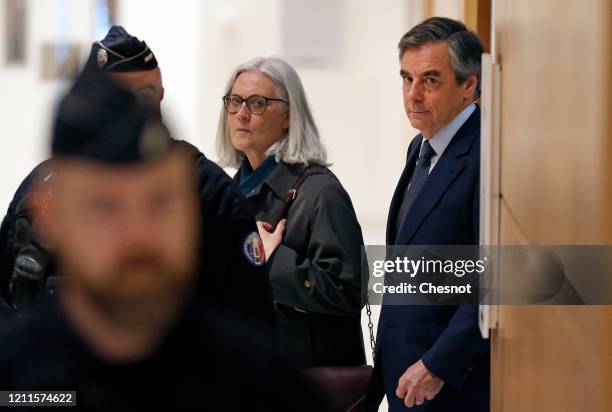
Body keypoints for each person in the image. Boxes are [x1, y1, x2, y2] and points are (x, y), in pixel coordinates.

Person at [0, 64, 330, 412]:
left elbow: (353, 282)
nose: (139, 234)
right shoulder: (15, 382)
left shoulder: (263, 387)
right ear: (50, 218)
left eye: (161, 203)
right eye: (106, 208)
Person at [0, 26, 275, 334]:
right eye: (103, 208)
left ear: (160, 96)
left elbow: (251, 320)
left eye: (160, 205)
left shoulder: (210, 190)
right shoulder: (47, 185)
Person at [365, 17, 489, 411]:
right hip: (405, 376)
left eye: (430, 80)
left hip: (450, 384)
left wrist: (437, 364)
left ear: (469, 84)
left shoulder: (488, 155)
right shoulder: (421, 149)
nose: (413, 95)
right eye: (406, 78)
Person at [215, 56, 365, 367]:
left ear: (288, 116)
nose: (241, 113)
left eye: (257, 103)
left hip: (306, 387)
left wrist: (274, 259)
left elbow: (350, 292)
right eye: (234, 101)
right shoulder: (229, 192)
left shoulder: (320, 192)